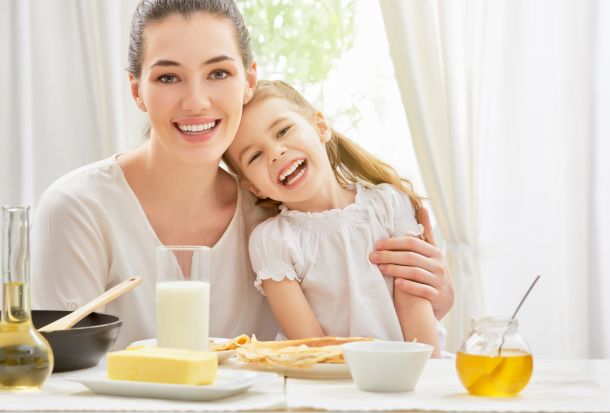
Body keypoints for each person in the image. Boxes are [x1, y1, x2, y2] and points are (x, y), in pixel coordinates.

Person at [30, 0, 453, 350]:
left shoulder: (279, 210)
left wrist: (436, 297)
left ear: (249, 79)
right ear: (137, 90)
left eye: (218, 72)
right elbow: (60, 380)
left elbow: (363, 315)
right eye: (168, 76)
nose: (196, 101)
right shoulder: (77, 209)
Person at [223, 80, 441, 356]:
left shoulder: (387, 203)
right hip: (332, 380)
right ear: (253, 187)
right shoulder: (273, 241)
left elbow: (414, 305)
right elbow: (311, 344)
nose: (275, 153)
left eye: (283, 131)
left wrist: (427, 374)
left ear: (320, 127)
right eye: (255, 155)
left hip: (407, 372)